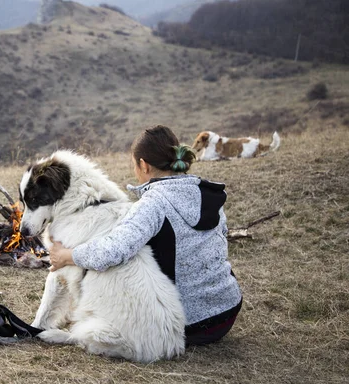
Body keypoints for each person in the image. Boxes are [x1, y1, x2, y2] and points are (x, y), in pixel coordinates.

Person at [49, 125, 242, 346]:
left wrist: (67, 255)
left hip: (189, 324)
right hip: (228, 311)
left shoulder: (153, 204)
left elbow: (112, 251)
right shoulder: (208, 192)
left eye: (134, 164)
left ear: (143, 165)